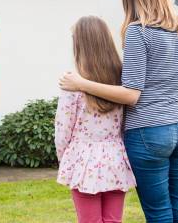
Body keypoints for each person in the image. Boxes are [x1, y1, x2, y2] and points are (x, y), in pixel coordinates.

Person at [59, 0, 178, 223]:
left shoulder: (138, 32)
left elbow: (132, 94)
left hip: (151, 131)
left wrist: (81, 84)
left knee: (159, 213)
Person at [55, 16, 136, 223]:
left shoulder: (72, 83)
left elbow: (63, 130)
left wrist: (65, 159)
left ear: (80, 45)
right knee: (113, 221)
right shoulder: (121, 79)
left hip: (83, 161)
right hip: (115, 158)